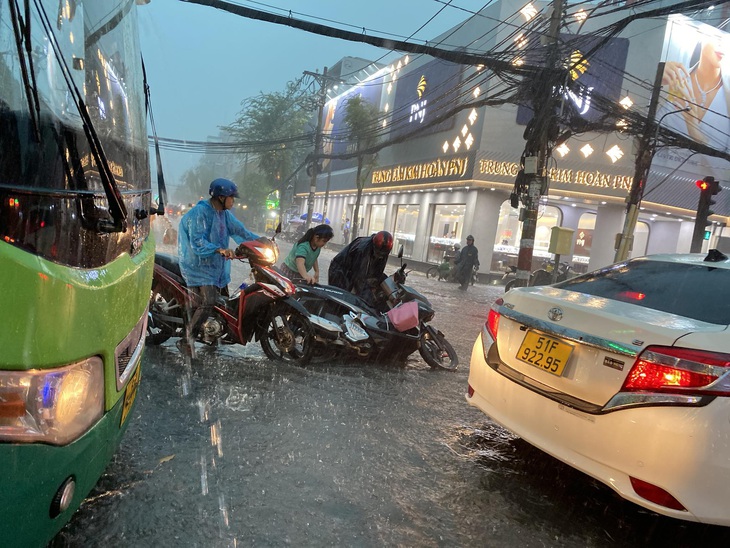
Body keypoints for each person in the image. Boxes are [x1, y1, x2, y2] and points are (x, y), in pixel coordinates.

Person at [177, 178, 261, 355]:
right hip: (197, 266)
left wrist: (260, 242)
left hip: (215, 267)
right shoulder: (200, 213)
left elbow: (241, 231)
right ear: (221, 197)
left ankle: (214, 333)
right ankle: (187, 338)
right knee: (209, 301)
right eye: (232, 198)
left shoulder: (224, 214)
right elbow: (198, 243)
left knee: (225, 304)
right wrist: (219, 249)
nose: (234, 201)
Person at [328, 230, 394, 309]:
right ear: (374, 246)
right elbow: (359, 280)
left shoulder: (383, 251)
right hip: (340, 270)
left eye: (382, 255)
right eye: (378, 253)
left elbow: (378, 274)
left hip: (354, 271)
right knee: (343, 300)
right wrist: (370, 301)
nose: (380, 256)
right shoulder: (362, 250)